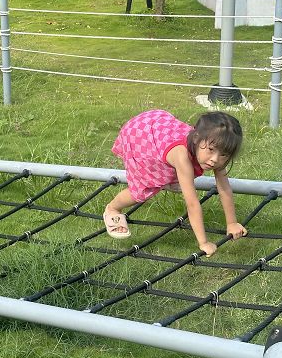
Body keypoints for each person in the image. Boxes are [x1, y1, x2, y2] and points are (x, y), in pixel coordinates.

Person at [103, 109, 247, 257]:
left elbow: (224, 188)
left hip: (159, 127)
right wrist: (203, 243)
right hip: (141, 135)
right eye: (211, 150)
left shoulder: (212, 146)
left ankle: (174, 179)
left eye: (223, 154)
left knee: (181, 176)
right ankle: (112, 208)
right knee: (145, 189)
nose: (215, 159)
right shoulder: (182, 156)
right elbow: (192, 203)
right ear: (197, 137)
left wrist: (232, 223)